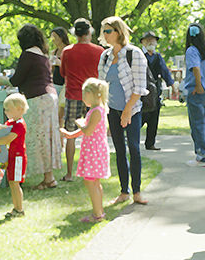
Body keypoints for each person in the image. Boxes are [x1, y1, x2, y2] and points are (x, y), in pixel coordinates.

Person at [0, 24, 62, 189]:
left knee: (38, 139)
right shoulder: (42, 54)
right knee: (46, 138)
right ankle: (49, 177)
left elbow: (16, 79)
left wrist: (2, 80)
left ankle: (48, 179)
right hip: (49, 96)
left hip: (38, 99)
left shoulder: (27, 54)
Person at [97, 16, 149, 205]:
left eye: (108, 31)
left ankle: (137, 192)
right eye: (103, 31)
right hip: (112, 110)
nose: (105, 35)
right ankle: (124, 191)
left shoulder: (134, 54)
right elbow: (101, 85)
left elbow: (140, 87)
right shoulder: (105, 56)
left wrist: (127, 111)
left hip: (132, 110)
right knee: (119, 150)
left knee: (134, 149)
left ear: (119, 32)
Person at [60, 78, 111, 222]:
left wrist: (79, 123)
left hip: (94, 151)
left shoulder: (96, 111)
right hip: (93, 150)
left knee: (91, 182)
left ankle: (97, 214)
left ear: (95, 95)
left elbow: (87, 131)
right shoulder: (95, 110)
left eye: (85, 95)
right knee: (94, 182)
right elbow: (88, 131)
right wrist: (71, 134)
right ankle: (99, 211)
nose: (83, 98)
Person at [60, 18, 104, 182]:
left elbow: (63, 73)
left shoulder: (67, 51)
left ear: (75, 33)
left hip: (73, 95)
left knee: (70, 133)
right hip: (94, 97)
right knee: (95, 133)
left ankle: (70, 173)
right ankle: (96, 171)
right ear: (89, 32)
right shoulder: (99, 51)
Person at [184, 23, 205, 167]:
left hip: (196, 91)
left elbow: (196, 68)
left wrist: (198, 85)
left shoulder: (192, 50)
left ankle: (202, 156)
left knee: (197, 125)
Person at [0, 93, 29, 218]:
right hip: (11, 157)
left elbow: (8, 138)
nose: (5, 111)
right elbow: (5, 130)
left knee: (15, 183)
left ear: (19, 109)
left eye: (8, 109)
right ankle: (16, 208)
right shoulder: (11, 122)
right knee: (12, 182)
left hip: (18, 158)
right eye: (5, 109)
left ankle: (19, 209)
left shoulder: (19, 124)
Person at [140, 31, 174, 150]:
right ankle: (129, 137)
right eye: (148, 39)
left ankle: (150, 143)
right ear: (142, 42)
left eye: (153, 40)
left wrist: (172, 84)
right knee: (141, 117)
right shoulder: (139, 55)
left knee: (154, 118)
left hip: (155, 91)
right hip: (141, 91)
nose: (151, 42)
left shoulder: (158, 56)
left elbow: (164, 71)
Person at [50, 27, 70, 142]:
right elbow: (52, 71)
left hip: (66, 86)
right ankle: (59, 140)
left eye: (55, 37)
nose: (53, 40)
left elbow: (71, 69)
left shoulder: (68, 50)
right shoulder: (54, 52)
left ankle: (62, 138)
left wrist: (60, 63)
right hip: (56, 85)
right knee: (56, 114)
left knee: (62, 114)